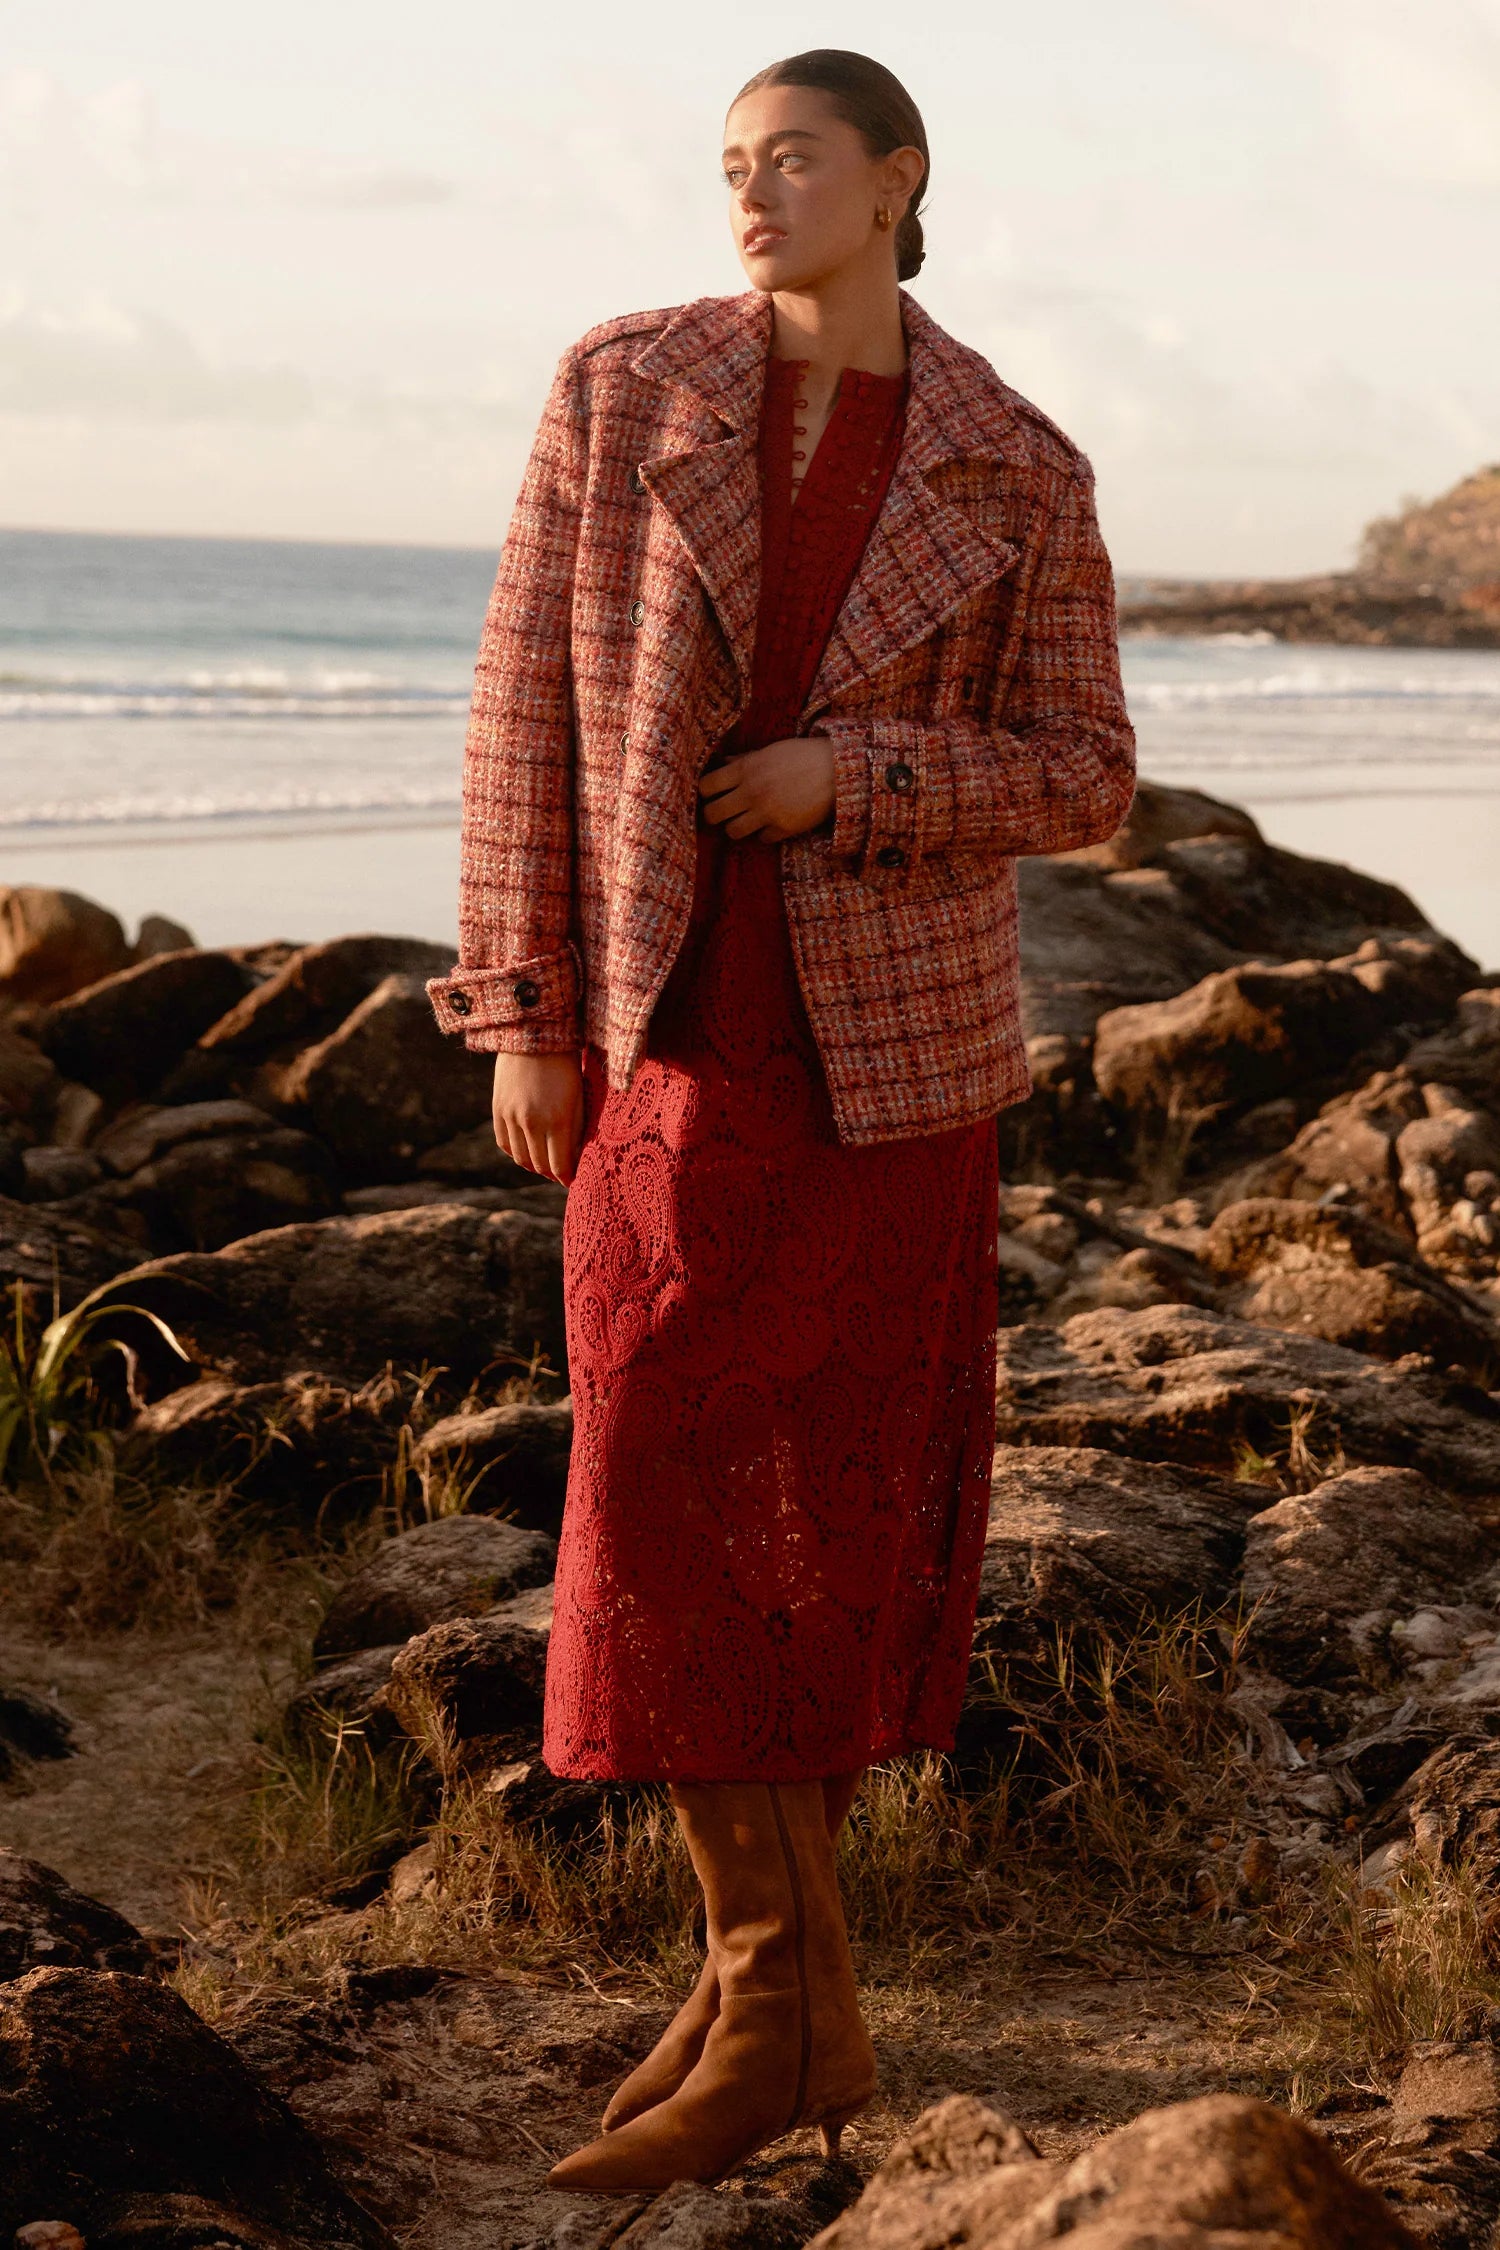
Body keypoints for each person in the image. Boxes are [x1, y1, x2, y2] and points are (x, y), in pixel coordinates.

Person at [428, 47, 1136, 2192]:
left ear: (896, 178)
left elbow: (1088, 772)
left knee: (827, 1526)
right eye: (732, 164)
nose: (752, 192)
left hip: (894, 1079)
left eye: (795, 159)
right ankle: (785, 1998)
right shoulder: (624, 385)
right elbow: (523, 704)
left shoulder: (1018, 461)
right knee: (654, 1489)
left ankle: (775, 2007)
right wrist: (522, 1007)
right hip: (670, 1034)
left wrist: (864, 777)